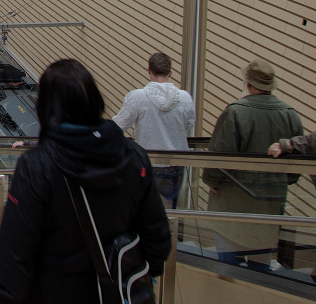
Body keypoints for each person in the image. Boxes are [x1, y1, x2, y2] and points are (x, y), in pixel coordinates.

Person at [0, 59, 171, 304]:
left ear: (46, 107)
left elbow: (14, 249)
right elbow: (157, 237)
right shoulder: (135, 158)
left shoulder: (37, 167)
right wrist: (143, 287)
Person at [204, 60, 303, 269]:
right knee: (261, 268)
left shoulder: (235, 112)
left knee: (228, 265)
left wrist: (212, 181)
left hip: (233, 205)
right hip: (269, 206)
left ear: (247, 84)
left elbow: (219, 156)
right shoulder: (290, 114)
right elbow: (295, 170)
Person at [112, 52, 195, 208]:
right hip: (177, 162)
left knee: (144, 207)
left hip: (147, 161)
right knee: (172, 208)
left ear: (149, 70)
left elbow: (118, 126)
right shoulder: (185, 98)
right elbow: (189, 124)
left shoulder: (137, 97)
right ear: (170, 73)